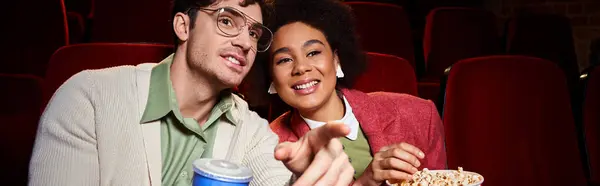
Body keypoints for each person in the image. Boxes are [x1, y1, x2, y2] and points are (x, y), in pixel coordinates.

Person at [28, 0, 355, 185]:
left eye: (254, 33)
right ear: (183, 26)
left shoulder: (256, 133)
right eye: (227, 21)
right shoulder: (89, 98)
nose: (245, 42)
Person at [245, 0, 447, 185]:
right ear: (270, 77)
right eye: (284, 60)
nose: (301, 68)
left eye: (313, 52)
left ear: (336, 59)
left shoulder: (420, 115)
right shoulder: (264, 149)